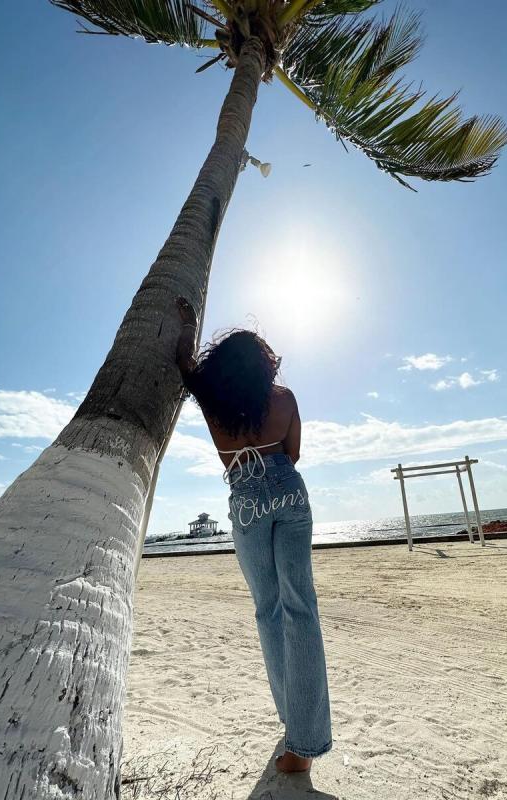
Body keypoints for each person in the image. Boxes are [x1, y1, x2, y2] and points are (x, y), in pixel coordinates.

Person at [175, 297, 332, 773]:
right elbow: (294, 453)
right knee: (300, 609)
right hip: (287, 489)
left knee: (268, 610)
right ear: (265, 365)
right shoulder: (284, 400)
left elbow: (185, 361)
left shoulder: (213, 403)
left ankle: (295, 730)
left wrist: (186, 322)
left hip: (244, 497)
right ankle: (303, 744)